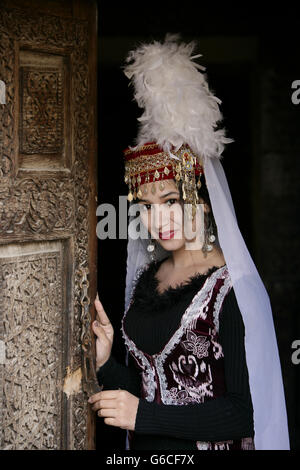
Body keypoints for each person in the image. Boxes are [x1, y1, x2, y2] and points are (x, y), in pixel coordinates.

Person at [88, 35, 290, 450]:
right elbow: (149, 389)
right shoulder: (150, 277)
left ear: (205, 199)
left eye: (171, 200)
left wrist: (143, 416)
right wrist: (108, 361)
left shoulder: (232, 289)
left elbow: (245, 411)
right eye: (145, 205)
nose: (156, 218)